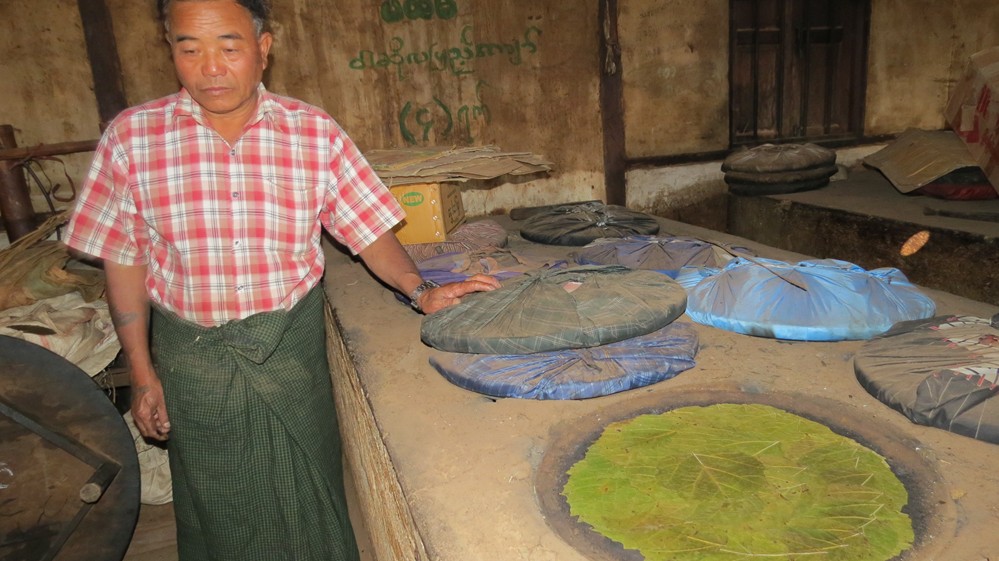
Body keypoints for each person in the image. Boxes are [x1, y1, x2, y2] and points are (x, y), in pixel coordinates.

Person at [64, 1, 500, 560]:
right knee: (219, 499)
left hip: (289, 354)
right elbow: (123, 260)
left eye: (229, 47)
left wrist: (420, 291)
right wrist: (144, 374)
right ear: (170, 49)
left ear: (263, 49)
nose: (211, 67)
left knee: (308, 487)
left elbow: (368, 231)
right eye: (189, 49)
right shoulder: (132, 139)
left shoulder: (312, 132)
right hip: (194, 362)